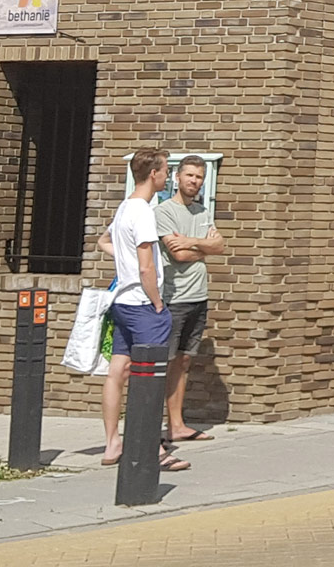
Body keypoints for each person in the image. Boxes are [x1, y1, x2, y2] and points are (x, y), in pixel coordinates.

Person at [98, 148, 187, 471]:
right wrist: (158, 303)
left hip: (121, 301)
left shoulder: (124, 208)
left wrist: (124, 264)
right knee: (150, 376)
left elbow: (104, 241)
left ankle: (112, 443)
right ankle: (153, 447)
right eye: (165, 171)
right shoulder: (144, 212)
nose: (168, 177)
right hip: (142, 305)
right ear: (154, 174)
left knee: (117, 371)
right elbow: (147, 266)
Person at [157, 154, 225, 442]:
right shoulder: (164, 212)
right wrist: (202, 247)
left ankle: (177, 424)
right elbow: (179, 254)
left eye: (199, 177)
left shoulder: (201, 211)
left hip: (199, 295)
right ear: (177, 177)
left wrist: (193, 241)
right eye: (190, 176)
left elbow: (219, 245)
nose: (194, 182)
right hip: (175, 297)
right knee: (166, 360)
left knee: (184, 361)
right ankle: (152, 424)